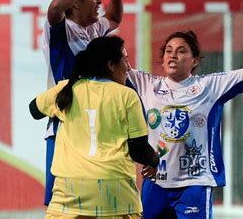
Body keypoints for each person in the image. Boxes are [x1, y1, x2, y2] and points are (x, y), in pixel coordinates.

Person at [126, 23, 243, 218]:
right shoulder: (146, 84)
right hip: (156, 182)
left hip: (195, 184)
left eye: (180, 51)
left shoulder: (209, 86)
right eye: (168, 51)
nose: (172, 55)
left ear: (194, 61)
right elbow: (113, 60)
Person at [29, 36, 159, 218]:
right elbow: (138, 150)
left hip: (69, 191)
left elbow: (33, 110)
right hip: (115, 192)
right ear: (111, 65)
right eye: (125, 59)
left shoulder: (67, 89)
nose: (129, 67)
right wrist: (155, 160)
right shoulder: (127, 96)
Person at [42, 0, 123, 205]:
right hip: (65, 125)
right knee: (61, 202)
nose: (99, 1)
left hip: (95, 124)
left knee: (95, 198)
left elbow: (115, 18)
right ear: (76, 2)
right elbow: (56, 7)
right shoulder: (61, 29)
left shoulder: (94, 30)